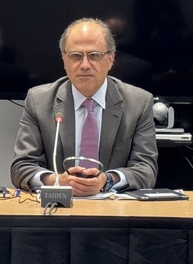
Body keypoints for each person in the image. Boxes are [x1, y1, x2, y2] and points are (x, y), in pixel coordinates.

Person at [10, 18, 158, 196]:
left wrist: (106, 180)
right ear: (64, 60)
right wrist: (56, 181)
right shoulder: (39, 100)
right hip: (58, 207)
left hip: (114, 207)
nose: (85, 65)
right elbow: (21, 167)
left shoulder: (139, 103)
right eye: (76, 56)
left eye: (94, 55)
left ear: (111, 59)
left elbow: (146, 170)